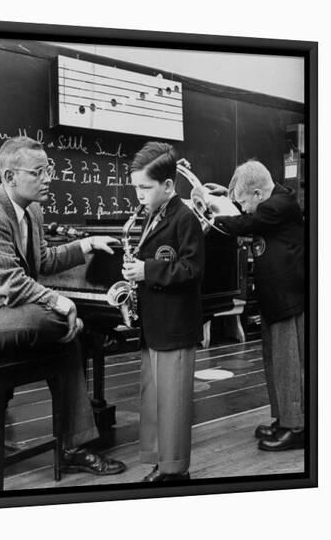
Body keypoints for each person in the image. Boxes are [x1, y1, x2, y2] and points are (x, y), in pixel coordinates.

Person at [0, 136, 126, 475]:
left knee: (67, 330)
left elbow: (42, 261)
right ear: (9, 177)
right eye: (38, 172)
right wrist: (60, 303)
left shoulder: (32, 209)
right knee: (61, 318)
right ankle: (74, 440)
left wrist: (87, 243)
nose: (48, 179)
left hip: (1, 310)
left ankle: (73, 446)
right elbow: (11, 283)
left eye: (49, 170)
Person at [122, 142, 205, 482]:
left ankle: (175, 471)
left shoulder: (185, 218)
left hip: (175, 324)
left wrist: (147, 271)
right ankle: (160, 462)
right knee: (155, 397)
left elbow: (192, 270)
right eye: (136, 188)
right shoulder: (152, 215)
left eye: (145, 187)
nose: (139, 194)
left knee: (173, 402)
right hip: (155, 324)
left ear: (168, 187)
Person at [208, 160, 305, 451]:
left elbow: (244, 224)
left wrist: (212, 209)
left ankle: (297, 426)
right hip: (273, 298)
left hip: (287, 299)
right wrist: (227, 194)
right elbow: (249, 207)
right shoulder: (272, 200)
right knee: (274, 363)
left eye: (243, 201)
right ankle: (284, 418)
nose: (243, 207)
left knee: (288, 365)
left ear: (259, 195)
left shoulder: (276, 206)